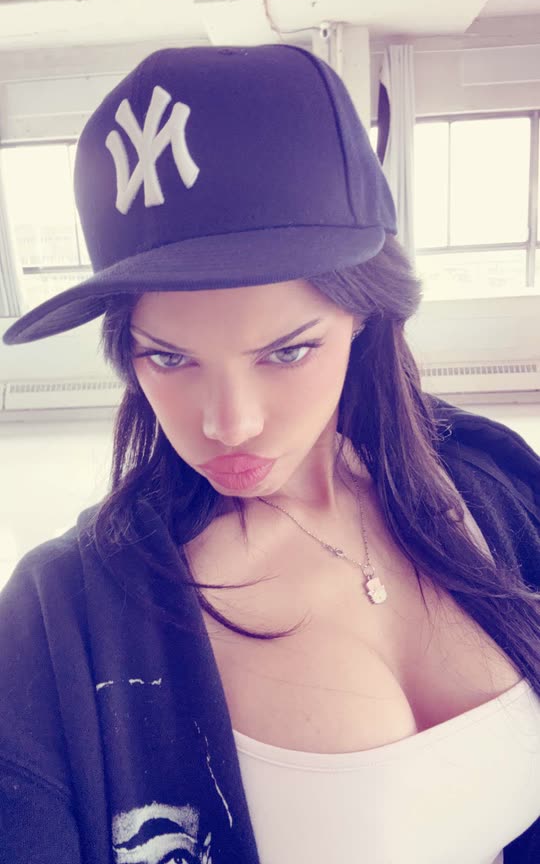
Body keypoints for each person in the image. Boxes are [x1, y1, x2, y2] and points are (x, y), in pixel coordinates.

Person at [0, 44, 539, 864]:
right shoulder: (60, 620)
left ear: (366, 315)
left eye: (287, 351)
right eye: (167, 357)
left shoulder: (491, 477)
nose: (229, 425)